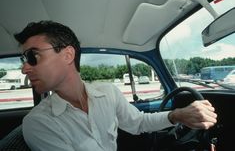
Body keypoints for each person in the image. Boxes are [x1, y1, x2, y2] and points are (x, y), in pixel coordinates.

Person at [15, 20, 217, 151]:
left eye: (32, 56)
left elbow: (138, 123)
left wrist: (177, 115)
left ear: (68, 54)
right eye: (23, 59)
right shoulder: (38, 123)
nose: (24, 68)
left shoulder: (108, 93)